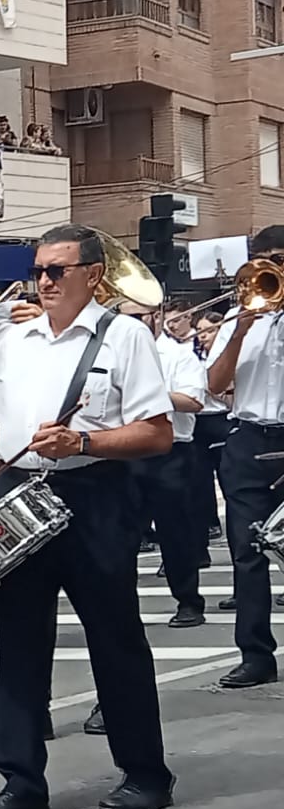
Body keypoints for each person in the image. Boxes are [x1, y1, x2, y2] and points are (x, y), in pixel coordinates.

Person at [0, 225, 175, 809]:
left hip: (95, 494)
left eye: (57, 270)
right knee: (19, 642)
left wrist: (85, 440)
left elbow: (158, 432)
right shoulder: (18, 341)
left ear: (92, 275)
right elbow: (0, 422)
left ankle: (146, 773)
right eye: (39, 270)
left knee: (115, 638)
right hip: (22, 493)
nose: (44, 282)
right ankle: (20, 779)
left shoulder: (125, 336)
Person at [205, 225, 284, 688]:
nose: (272, 267)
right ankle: (256, 654)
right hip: (250, 440)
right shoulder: (240, 316)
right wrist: (238, 332)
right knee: (247, 551)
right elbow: (214, 386)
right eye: (264, 259)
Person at [132, 307, 210, 651]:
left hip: (170, 451)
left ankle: (189, 600)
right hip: (124, 451)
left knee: (175, 532)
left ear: (156, 317)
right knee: (119, 536)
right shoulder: (110, 352)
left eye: (141, 315)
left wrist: (143, 393)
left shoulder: (178, 354)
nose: (135, 323)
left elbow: (193, 400)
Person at [192, 311, 229, 544]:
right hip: (199, 419)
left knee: (225, 473)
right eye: (200, 331)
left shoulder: (225, 358)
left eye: (208, 330)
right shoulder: (193, 357)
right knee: (201, 478)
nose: (202, 336)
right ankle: (209, 523)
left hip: (220, 416)